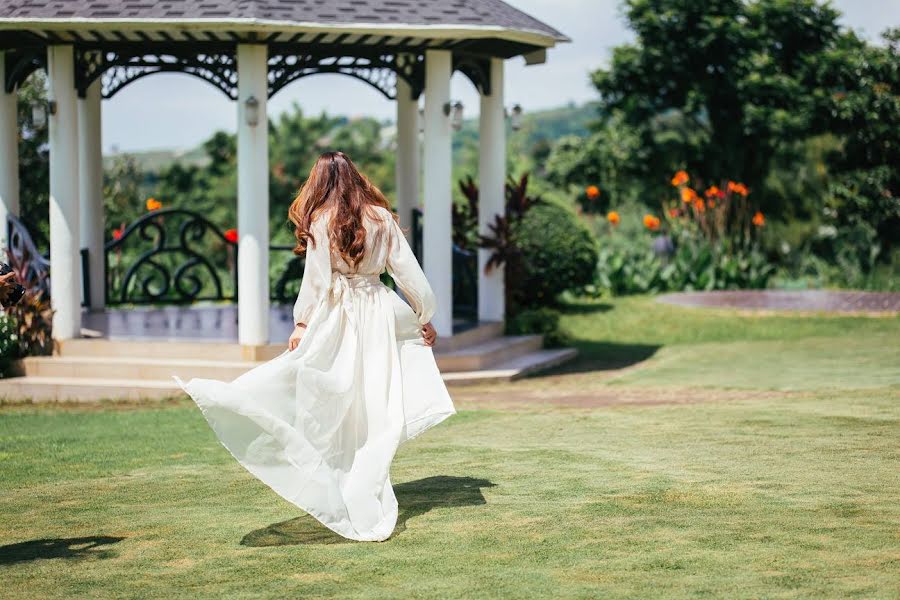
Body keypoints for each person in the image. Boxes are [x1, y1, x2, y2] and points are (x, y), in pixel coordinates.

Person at [174, 151, 456, 542]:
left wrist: (304, 322)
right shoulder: (381, 218)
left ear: (320, 183)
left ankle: (336, 471)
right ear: (356, 178)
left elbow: (317, 280)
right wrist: (424, 313)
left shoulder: (322, 222)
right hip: (376, 308)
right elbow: (408, 272)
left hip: (338, 313)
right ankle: (362, 476)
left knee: (325, 383)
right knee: (374, 399)